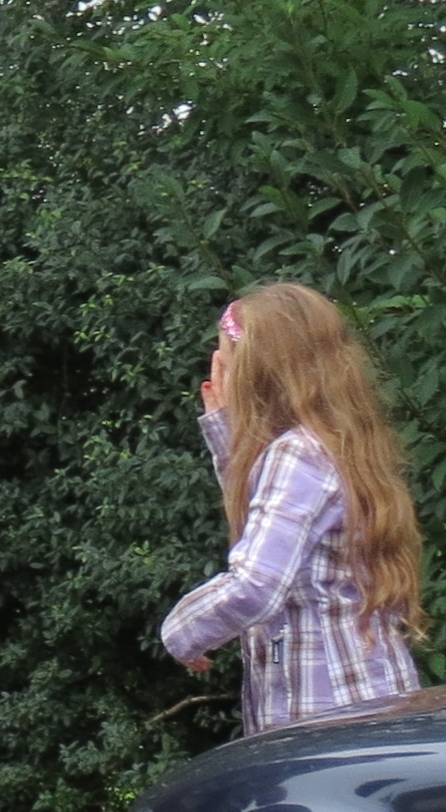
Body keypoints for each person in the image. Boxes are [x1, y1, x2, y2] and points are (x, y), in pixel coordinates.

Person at [162, 286, 426, 729]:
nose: (217, 367)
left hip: (330, 719)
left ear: (255, 370)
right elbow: (268, 529)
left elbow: (256, 584)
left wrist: (180, 631)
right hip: (366, 700)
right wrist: (230, 436)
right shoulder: (334, 444)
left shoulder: (298, 455)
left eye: (226, 357)